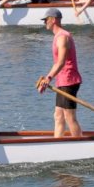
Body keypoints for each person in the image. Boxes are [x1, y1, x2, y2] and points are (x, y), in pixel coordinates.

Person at [35, 9, 83, 137]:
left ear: (54, 20)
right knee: (58, 115)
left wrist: (48, 78)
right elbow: (57, 63)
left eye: (46, 20)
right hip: (62, 80)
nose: (44, 23)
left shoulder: (63, 37)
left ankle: (80, 144)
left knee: (69, 116)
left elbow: (61, 62)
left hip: (69, 80)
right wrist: (47, 79)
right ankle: (57, 141)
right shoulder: (58, 36)